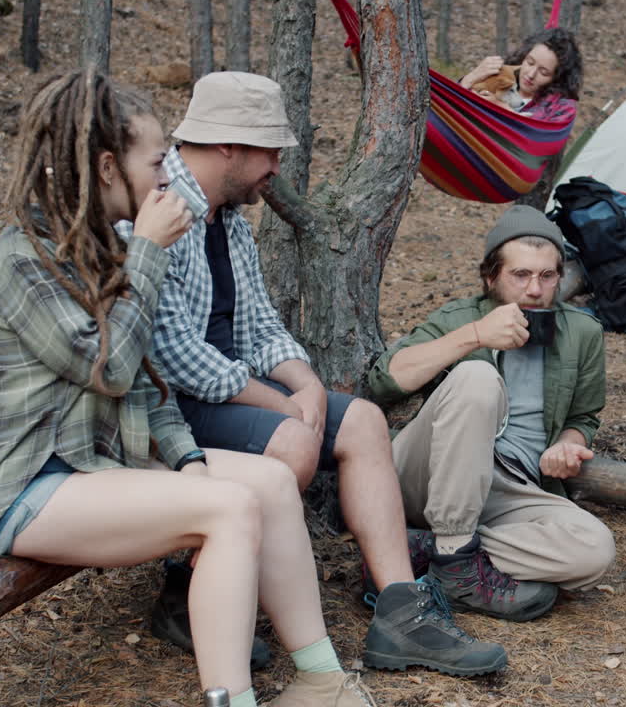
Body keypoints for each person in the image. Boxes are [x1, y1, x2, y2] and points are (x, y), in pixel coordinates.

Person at [0, 69, 373, 707]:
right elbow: (110, 369)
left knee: (262, 483)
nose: (164, 177)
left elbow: (150, 388)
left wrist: (189, 461)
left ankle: (322, 680)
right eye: (154, 162)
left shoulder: (104, 251)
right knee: (229, 509)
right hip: (25, 485)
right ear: (104, 167)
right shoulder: (23, 258)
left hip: (99, 464)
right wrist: (148, 253)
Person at [128, 71, 506, 677]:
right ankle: (185, 593)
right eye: (270, 150)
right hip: (170, 404)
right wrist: (279, 406)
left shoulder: (225, 218)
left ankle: (400, 614)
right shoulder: (162, 211)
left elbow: (258, 324)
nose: (277, 165)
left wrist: (302, 384)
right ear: (229, 146)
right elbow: (171, 354)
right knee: (293, 442)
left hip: (231, 392)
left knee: (360, 420)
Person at [366, 205, 616, 622]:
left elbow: (584, 417)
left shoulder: (583, 333)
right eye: (520, 275)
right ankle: (454, 555)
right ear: (491, 276)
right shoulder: (459, 318)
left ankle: (433, 551)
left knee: (595, 550)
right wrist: (476, 336)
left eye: (547, 276)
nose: (535, 290)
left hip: (509, 488)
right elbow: (384, 381)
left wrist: (569, 444)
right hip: (430, 473)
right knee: (478, 377)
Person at [459, 27, 582, 124]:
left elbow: (541, 143)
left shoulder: (560, 107)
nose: (531, 74)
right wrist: (470, 78)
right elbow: (451, 108)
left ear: (557, 78)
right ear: (523, 56)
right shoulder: (500, 74)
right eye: (530, 62)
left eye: (543, 72)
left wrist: (502, 108)